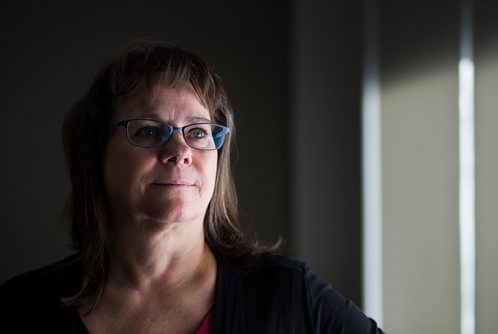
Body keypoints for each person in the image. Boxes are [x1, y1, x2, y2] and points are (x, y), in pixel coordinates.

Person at [0, 40, 382, 333]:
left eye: (198, 131)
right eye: (149, 131)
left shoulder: (289, 296)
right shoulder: (22, 308)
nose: (180, 151)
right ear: (96, 154)